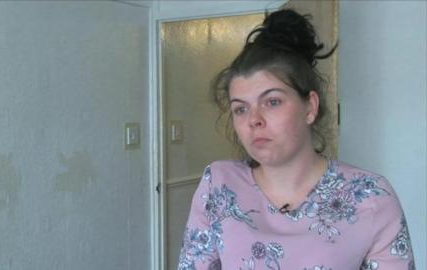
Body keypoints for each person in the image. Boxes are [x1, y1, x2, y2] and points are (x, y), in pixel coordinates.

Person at [177, 9, 415, 270]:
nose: (253, 119)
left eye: (272, 102)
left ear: (310, 107)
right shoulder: (219, 185)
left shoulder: (371, 197)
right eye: (240, 108)